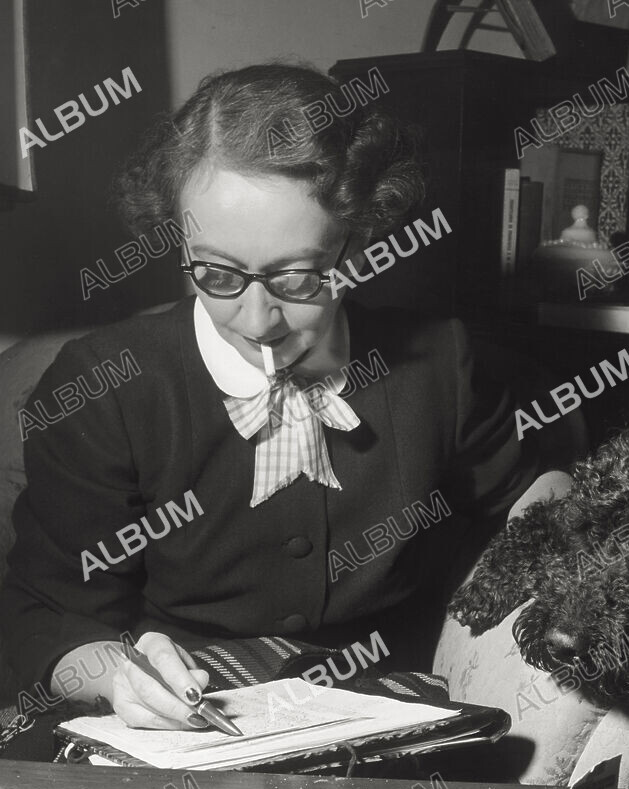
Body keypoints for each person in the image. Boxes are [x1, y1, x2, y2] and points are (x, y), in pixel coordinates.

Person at [0, 63, 539, 739]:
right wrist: (119, 678)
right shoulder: (105, 386)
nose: (257, 320)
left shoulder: (440, 364)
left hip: (389, 722)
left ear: (360, 241)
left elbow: (525, 503)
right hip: (181, 733)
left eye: (298, 277)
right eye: (216, 273)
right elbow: (47, 611)